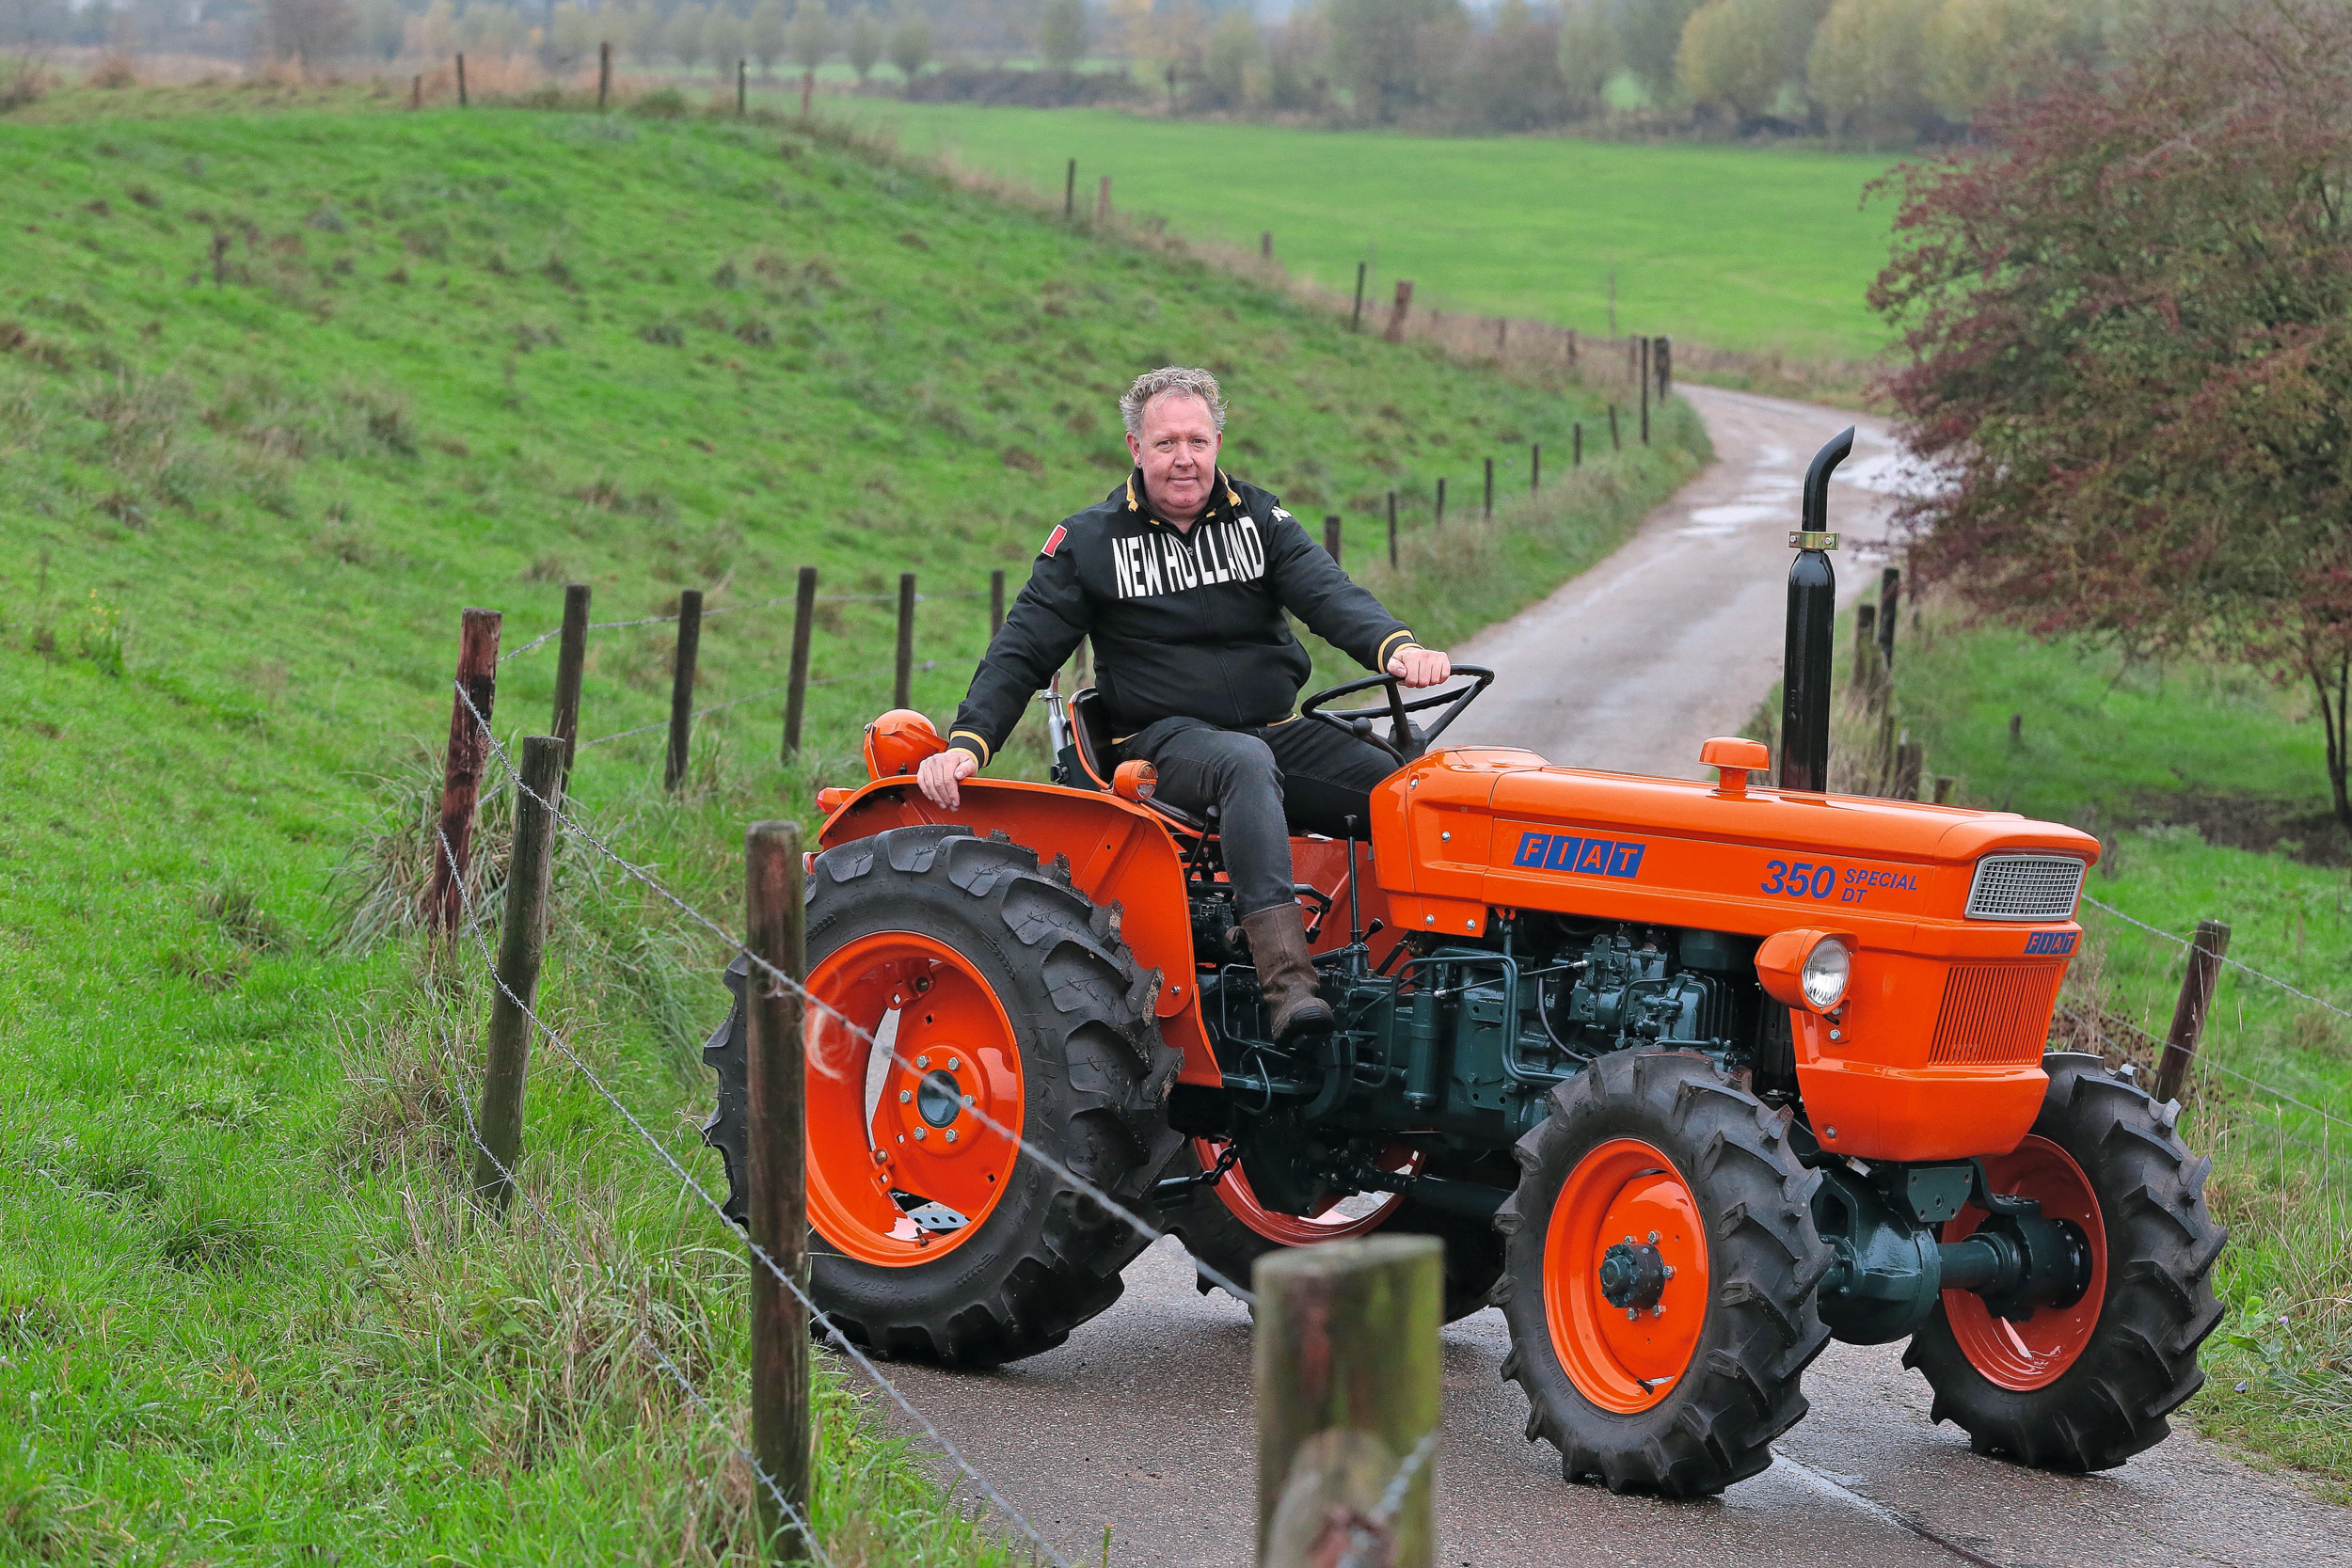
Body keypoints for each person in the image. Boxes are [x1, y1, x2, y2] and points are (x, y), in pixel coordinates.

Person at [916, 366, 1452, 1042]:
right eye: (1166, 443)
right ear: (1135, 449)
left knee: (1406, 786)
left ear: (1219, 442)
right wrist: (969, 742)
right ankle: (1288, 987)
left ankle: (1440, 971)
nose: (1183, 459)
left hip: (1273, 729)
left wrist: (1395, 647)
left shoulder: (1261, 518)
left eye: (1197, 441)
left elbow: (1328, 592)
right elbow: (1021, 650)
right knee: (1243, 762)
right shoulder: (1090, 543)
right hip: (1165, 743)